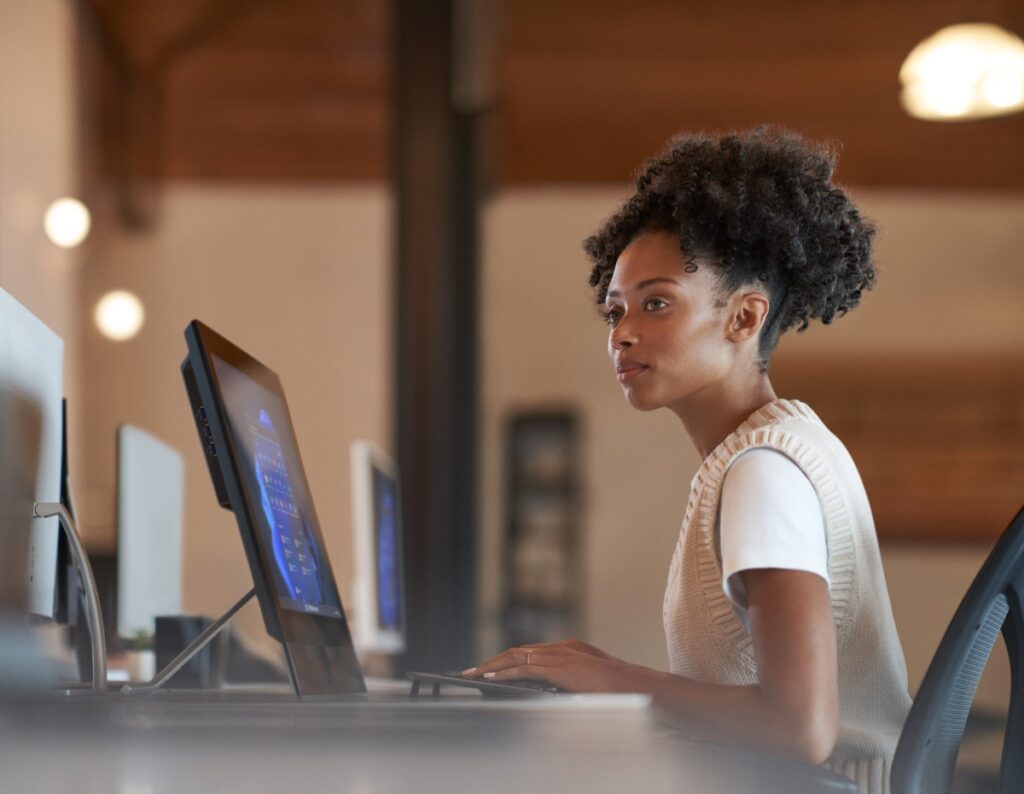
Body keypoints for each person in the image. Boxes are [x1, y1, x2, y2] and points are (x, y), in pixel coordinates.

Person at [463, 127, 912, 792]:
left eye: (656, 303)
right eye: (614, 311)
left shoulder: (764, 474)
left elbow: (800, 728)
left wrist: (615, 681)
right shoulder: (775, 449)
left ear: (743, 318)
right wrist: (601, 673)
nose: (622, 333)